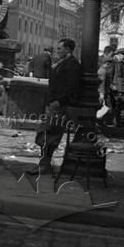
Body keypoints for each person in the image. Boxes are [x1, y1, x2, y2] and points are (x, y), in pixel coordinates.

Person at [29, 38, 81, 176]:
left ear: (68, 49)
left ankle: (44, 165)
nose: (57, 51)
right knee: (46, 134)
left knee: (49, 134)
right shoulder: (61, 63)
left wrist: (59, 101)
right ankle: (44, 164)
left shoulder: (72, 64)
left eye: (59, 49)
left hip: (59, 105)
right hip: (53, 103)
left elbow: (71, 86)